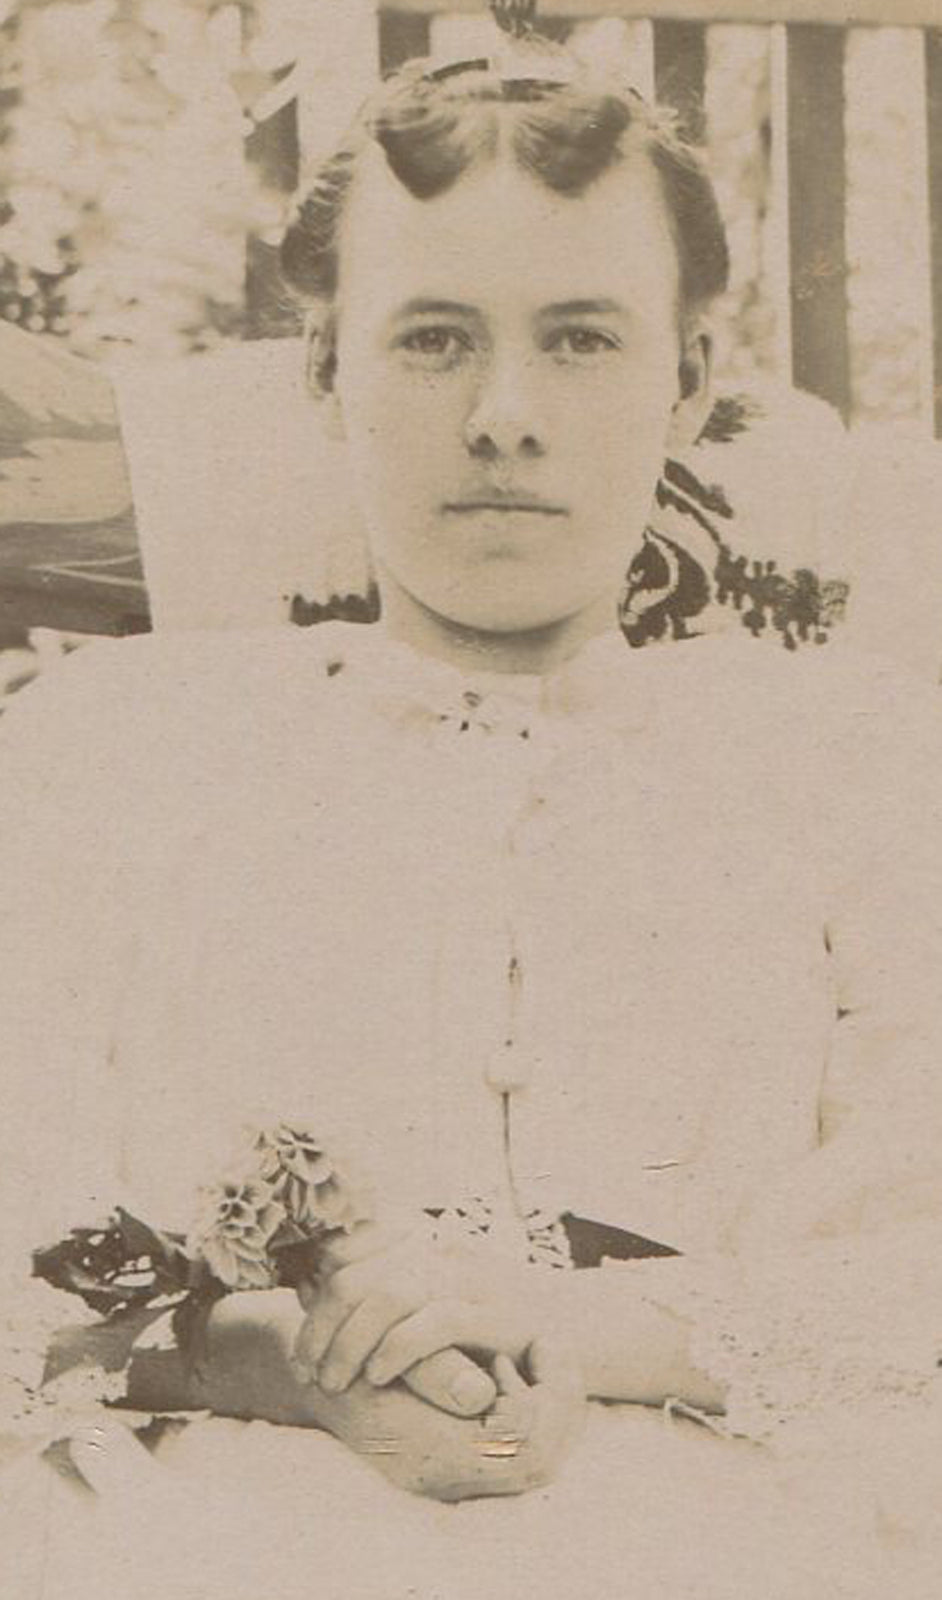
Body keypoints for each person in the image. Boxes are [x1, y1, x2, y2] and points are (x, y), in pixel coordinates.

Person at [1, 39, 942, 1600]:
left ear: (689, 382)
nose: (505, 417)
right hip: (214, 1525)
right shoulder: (112, 752)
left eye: (580, 341)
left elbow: (920, 1251)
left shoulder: (860, 762)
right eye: (432, 340)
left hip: (760, 1515)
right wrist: (271, 1361)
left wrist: (560, 1327)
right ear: (324, 373)